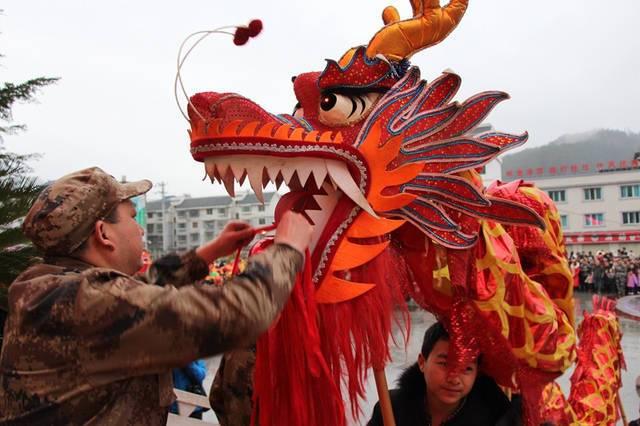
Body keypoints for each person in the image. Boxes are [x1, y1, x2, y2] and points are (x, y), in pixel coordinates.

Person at [0, 167, 313, 425]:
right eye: (132, 218)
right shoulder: (85, 301)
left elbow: (144, 290)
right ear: (103, 234)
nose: (140, 230)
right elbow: (234, 315)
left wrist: (208, 253)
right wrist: (287, 250)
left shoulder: (52, 286)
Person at [367, 322, 521, 426]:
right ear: (422, 362)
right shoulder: (392, 407)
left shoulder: (496, 415)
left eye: (467, 368)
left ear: (477, 372)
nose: (454, 379)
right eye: (444, 364)